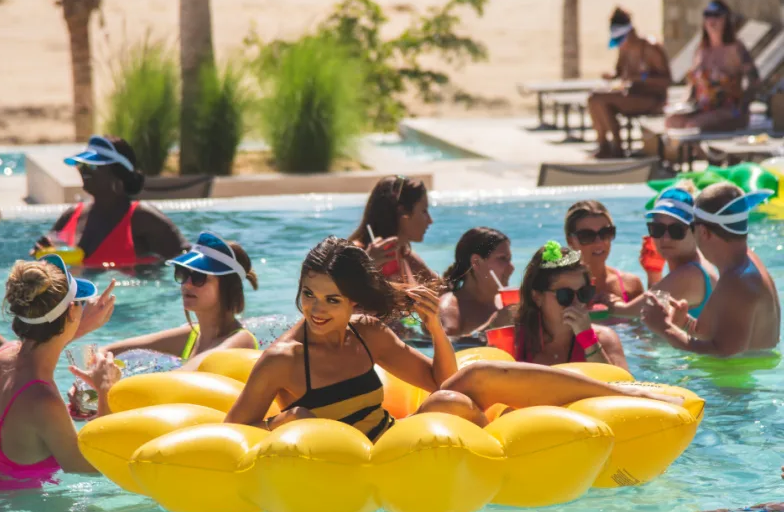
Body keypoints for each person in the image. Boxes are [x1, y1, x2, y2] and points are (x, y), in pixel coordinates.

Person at [225, 237, 672, 436]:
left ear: (355, 302)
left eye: (332, 300)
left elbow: (438, 382)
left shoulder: (366, 334)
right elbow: (235, 434)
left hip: (394, 444)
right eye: (309, 295)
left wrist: (436, 328)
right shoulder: (282, 361)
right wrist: (281, 423)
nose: (317, 310)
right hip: (350, 465)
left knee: (459, 393)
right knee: (454, 401)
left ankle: (617, 393)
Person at [0, 256, 120, 488]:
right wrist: (106, 391)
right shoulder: (43, 401)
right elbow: (91, 467)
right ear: (70, 312)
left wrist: (72, 329)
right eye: (80, 302)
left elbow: (34, 349)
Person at [642, 183, 780, 355]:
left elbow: (723, 355)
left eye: (691, 228)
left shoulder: (738, 282)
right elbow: (720, 334)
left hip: (736, 381)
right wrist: (684, 323)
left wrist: (664, 328)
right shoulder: (744, 266)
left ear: (703, 232)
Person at [103, 232, 259, 365]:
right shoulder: (192, 335)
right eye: (183, 274)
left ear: (227, 287)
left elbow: (185, 375)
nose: (187, 284)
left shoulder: (240, 341)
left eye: (199, 277)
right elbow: (108, 351)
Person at [33, 135, 188, 268]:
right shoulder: (72, 215)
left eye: (93, 166)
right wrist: (41, 253)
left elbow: (186, 257)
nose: (83, 171)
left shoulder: (141, 218)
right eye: (81, 165)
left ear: (118, 178)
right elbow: (45, 262)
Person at [509, 242, 628, 370]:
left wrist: (588, 340)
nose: (577, 303)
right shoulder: (513, 340)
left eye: (584, 293)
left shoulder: (605, 339)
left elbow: (622, 387)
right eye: (565, 295)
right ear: (537, 297)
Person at [606, 188, 716, 319]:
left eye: (676, 230)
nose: (665, 238)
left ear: (696, 231)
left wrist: (609, 303)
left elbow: (633, 312)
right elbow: (658, 313)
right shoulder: (695, 265)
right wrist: (654, 274)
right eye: (658, 229)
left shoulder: (690, 274)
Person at [588, 7, 672, 159]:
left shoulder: (650, 48)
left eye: (621, 40)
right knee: (594, 99)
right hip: (630, 94)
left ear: (630, 33)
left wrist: (642, 79)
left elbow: (666, 81)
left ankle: (617, 148)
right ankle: (604, 145)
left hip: (651, 98)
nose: (621, 45)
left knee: (599, 98)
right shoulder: (624, 50)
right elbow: (620, 72)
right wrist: (611, 76)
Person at [666, 0, 760, 132]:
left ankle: (699, 152)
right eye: (707, 15)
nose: (712, 20)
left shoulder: (735, 49)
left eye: (717, 16)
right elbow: (693, 84)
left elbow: (754, 80)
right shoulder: (702, 50)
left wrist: (743, 106)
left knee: (693, 126)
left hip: (728, 110)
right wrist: (684, 104)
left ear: (726, 20)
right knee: (672, 121)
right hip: (702, 107)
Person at [349, 175, 436, 283]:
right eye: (424, 211)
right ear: (403, 212)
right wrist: (367, 267)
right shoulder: (355, 253)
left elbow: (445, 288)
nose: (430, 220)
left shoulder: (405, 256)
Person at [565, 200, 643, 304]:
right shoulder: (561, 289)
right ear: (570, 241)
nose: (599, 242)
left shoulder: (630, 285)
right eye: (587, 236)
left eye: (605, 233)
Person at [439, 228, 514, 337]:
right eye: (502, 259)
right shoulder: (449, 306)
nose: (512, 268)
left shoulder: (505, 303)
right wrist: (492, 326)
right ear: (476, 262)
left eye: (510, 260)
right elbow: (445, 346)